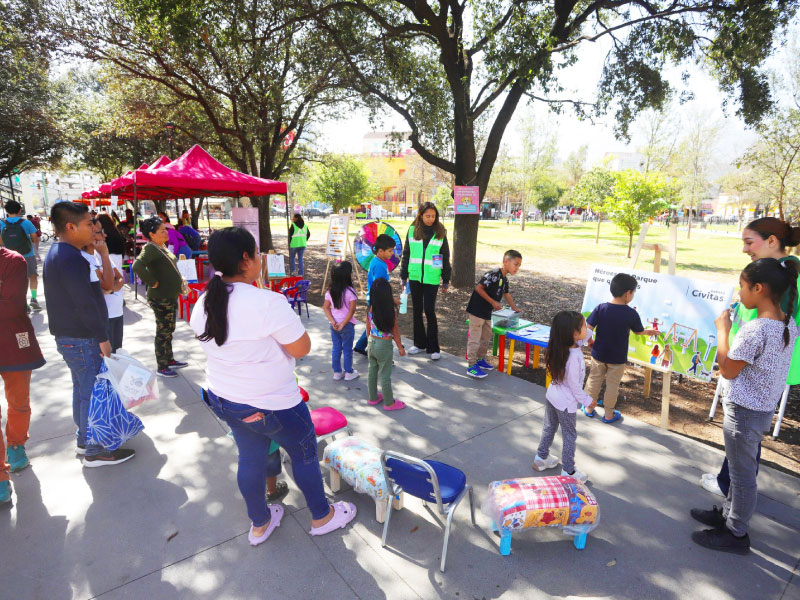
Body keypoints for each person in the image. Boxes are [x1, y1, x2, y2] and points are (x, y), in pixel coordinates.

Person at [190, 227, 356, 546]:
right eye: (257, 252)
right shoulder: (267, 302)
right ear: (246, 258)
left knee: (249, 460)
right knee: (304, 455)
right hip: (274, 404)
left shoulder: (203, 303)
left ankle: (260, 523)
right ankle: (322, 516)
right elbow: (301, 348)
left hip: (227, 400)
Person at [691, 258, 799, 554]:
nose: (739, 294)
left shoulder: (757, 330)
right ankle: (728, 515)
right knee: (742, 471)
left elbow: (727, 368)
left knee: (742, 476)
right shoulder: (788, 323)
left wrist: (723, 330)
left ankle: (736, 532)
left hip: (744, 413)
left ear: (759, 288)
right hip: (761, 410)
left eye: (742, 287)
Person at [700, 217, 800, 497]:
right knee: (745, 439)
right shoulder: (776, 275)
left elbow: (735, 365)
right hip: (753, 369)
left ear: (772, 241)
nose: (745, 249)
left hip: (753, 372)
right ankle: (730, 484)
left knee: (744, 436)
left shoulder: (781, 289)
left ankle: (732, 496)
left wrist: (726, 335)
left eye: (748, 242)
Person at [43, 202, 135, 466]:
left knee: (82, 389)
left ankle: (85, 439)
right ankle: (94, 450)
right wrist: (102, 339)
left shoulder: (62, 253)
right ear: (70, 227)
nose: (93, 229)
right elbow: (84, 303)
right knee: (91, 393)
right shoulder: (71, 258)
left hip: (73, 337)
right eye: (87, 224)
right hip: (82, 338)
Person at [0, 247, 46, 503]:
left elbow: (11, 306)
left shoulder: (13, 260)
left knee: (18, 402)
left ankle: (16, 446)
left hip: (14, 342)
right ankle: (0, 477)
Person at [583, 273, 657, 424]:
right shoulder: (631, 313)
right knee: (612, 385)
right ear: (627, 293)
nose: (633, 295)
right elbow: (638, 331)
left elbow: (588, 327)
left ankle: (589, 408)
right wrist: (650, 332)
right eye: (633, 292)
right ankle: (609, 414)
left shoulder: (601, 308)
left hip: (599, 353)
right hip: (617, 358)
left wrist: (590, 341)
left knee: (594, 379)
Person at [532, 311, 595, 483]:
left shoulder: (561, 345)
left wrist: (588, 325)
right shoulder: (574, 357)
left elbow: (587, 333)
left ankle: (541, 457)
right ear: (574, 334)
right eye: (583, 325)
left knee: (549, 427)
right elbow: (575, 388)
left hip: (552, 396)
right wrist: (589, 401)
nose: (586, 327)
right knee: (569, 436)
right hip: (566, 404)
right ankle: (568, 471)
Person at [133, 217, 188, 377]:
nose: (166, 232)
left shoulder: (161, 246)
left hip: (169, 295)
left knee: (169, 328)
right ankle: (162, 366)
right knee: (163, 331)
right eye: (162, 230)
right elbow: (137, 265)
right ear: (152, 234)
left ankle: (169, 359)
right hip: (160, 297)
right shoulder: (150, 248)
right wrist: (152, 282)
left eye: (165, 229)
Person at [400, 202, 451, 360]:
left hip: (432, 278)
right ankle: (419, 344)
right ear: (420, 215)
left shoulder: (440, 231)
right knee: (416, 310)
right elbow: (406, 254)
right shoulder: (412, 230)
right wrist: (403, 276)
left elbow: (445, 256)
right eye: (427, 216)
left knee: (429, 310)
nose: (430, 219)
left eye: (433, 216)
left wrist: (446, 279)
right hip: (415, 276)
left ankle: (433, 348)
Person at [465, 249, 522, 378]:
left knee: (486, 336)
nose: (517, 268)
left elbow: (506, 294)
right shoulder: (493, 274)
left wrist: (514, 308)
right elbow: (478, 288)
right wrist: (493, 302)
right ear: (506, 261)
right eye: (516, 264)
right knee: (475, 338)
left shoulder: (504, 278)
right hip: (477, 310)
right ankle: (471, 365)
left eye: (519, 265)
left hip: (487, 312)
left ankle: (480, 359)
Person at [353, 234, 397, 356]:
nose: (392, 253)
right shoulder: (379, 265)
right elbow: (380, 288)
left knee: (373, 322)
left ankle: (361, 346)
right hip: (377, 300)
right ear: (380, 251)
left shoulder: (378, 261)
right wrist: (391, 300)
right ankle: (376, 348)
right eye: (390, 251)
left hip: (375, 299)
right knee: (378, 324)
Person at [366, 278, 406, 410]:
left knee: (372, 370)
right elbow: (395, 331)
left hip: (372, 342)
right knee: (385, 374)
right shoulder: (390, 311)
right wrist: (400, 347)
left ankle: (373, 397)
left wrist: (368, 339)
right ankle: (389, 403)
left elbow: (367, 325)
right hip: (384, 345)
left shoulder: (371, 308)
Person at [87, 220, 125, 351]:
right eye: (99, 232)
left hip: (117, 312)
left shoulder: (100, 256)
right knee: (108, 359)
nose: (105, 236)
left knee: (117, 354)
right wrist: (109, 287)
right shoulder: (86, 259)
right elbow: (105, 286)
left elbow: (120, 279)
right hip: (104, 317)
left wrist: (110, 289)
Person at [0, 200, 41, 312]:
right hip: (27, 254)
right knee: (32, 276)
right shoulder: (26, 223)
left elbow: (0, 242)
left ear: (6, 211)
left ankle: (23, 302)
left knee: (16, 280)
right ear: (20, 210)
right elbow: (35, 238)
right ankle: (33, 298)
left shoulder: (1, 223)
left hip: (9, 257)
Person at [323, 261, 359, 381]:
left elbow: (326, 307)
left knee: (336, 348)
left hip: (333, 325)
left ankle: (337, 372)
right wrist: (343, 324)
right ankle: (349, 372)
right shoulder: (351, 292)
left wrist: (332, 321)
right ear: (348, 275)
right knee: (347, 349)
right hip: (346, 325)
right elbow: (352, 311)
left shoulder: (330, 291)